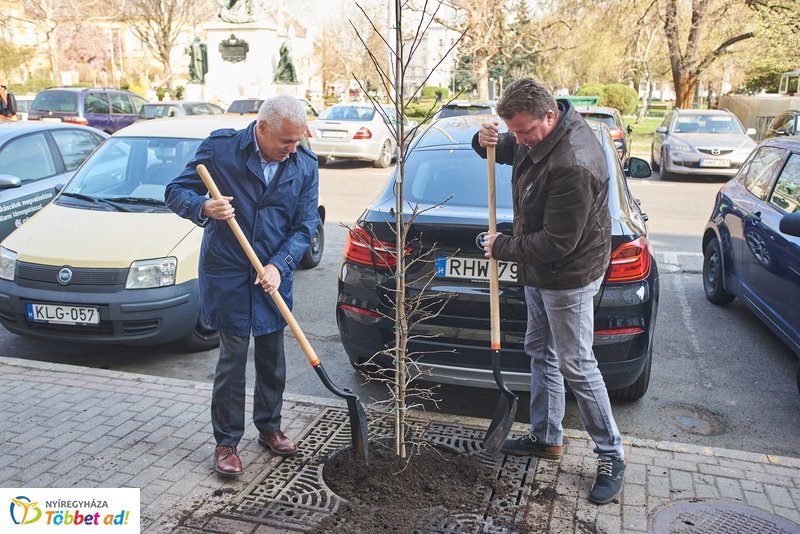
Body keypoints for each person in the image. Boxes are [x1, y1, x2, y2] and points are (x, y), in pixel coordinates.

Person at [473, 77, 626, 505]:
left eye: (523, 132)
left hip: (568, 274)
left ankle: (612, 454)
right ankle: (546, 437)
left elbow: (558, 243)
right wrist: (483, 139)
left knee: (576, 363)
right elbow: (507, 148)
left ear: (549, 115)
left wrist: (500, 246)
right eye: (513, 131)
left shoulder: (574, 163)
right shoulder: (538, 133)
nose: (518, 140)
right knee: (541, 350)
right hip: (541, 270)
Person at [165, 95, 320, 477]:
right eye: (286, 141)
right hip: (229, 273)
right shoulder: (221, 150)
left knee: (272, 357)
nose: (293, 148)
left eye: (298, 140)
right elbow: (175, 191)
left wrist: (280, 265)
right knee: (232, 361)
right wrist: (204, 207)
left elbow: (304, 227)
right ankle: (227, 442)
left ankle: (269, 427)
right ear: (262, 129)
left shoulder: (303, 165)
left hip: (271, 274)